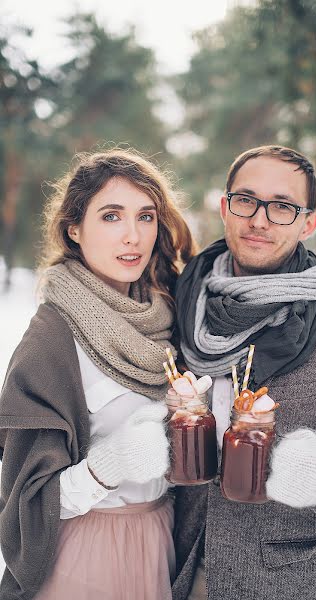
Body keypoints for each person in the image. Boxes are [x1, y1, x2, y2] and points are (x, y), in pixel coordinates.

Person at [172, 145, 316, 600]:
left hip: (291, 581)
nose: (259, 220)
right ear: (225, 207)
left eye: (282, 207)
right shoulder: (183, 305)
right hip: (180, 568)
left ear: (307, 223)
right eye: (246, 200)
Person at [0, 148, 197, 600]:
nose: (133, 236)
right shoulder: (52, 339)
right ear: (75, 229)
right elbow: (21, 506)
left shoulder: (170, 319)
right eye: (111, 216)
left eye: (146, 216)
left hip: (159, 545)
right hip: (82, 557)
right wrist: (106, 468)